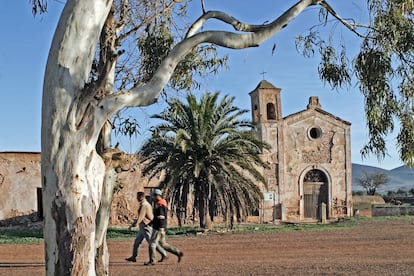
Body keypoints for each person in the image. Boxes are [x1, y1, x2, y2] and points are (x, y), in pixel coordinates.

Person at [125, 191, 167, 263]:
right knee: (137, 242)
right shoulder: (143, 204)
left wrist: (134, 225)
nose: (136, 198)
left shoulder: (144, 205)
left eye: (137, 196)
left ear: (141, 197)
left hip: (146, 226)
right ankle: (133, 257)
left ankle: (163, 254)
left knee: (152, 243)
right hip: (142, 227)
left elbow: (141, 216)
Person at [145, 189, 184, 265]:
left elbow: (161, 217)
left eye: (153, 195)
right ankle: (178, 252)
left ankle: (152, 260)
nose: (152, 197)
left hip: (158, 228)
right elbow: (157, 217)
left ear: (157, 196)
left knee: (152, 243)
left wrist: (158, 227)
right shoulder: (160, 203)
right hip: (161, 227)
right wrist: (151, 223)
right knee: (163, 244)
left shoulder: (160, 204)